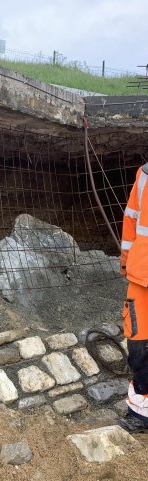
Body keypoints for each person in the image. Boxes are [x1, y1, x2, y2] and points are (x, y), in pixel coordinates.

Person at [119, 163, 148, 432]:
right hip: (142, 274)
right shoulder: (145, 174)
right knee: (138, 344)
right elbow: (131, 220)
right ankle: (141, 414)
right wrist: (126, 260)